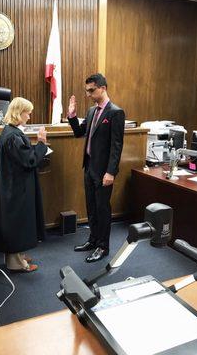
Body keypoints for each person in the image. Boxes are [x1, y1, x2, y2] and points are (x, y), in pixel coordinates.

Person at [68, 73, 125, 262]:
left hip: (104, 172)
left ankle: (103, 246)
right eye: (87, 91)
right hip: (89, 167)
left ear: (103, 88)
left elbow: (117, 146)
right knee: (91, 207)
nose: (89, 94)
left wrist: (111, 172)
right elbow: (79, 133)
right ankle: (92, 240)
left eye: (91, 90)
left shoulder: (115, 112)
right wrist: (72, 115)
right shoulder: (92, 111)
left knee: (102, 209)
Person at [0, 97, 47, 272]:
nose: (29, 117)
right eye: (28, 113)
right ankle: (16, 264)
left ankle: (19, 255)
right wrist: (41, 143)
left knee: (18, 221)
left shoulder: (10, 132)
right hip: (16, 188)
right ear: (19, 113)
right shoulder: (13, 136)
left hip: (14, 184)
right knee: (17, 222)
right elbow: (30, 160)